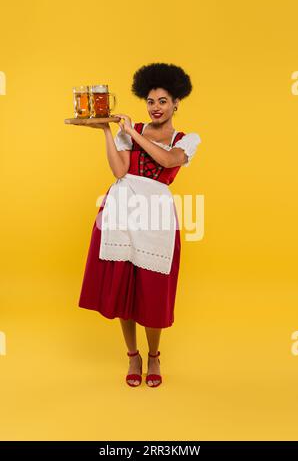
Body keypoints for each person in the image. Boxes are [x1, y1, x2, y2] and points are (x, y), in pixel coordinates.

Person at [77, 63, 201, 388]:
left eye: (162, 101)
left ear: (176, 104)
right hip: (122, 207)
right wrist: (106, 130)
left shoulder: (185, 140)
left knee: (152, 288)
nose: (155, 107)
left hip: (156, 214)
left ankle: (154, 355)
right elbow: (119, 171)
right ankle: (132, 354)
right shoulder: (132, 131)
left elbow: (167, 161)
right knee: (123, 283)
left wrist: (131, 133)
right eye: (150, 101)